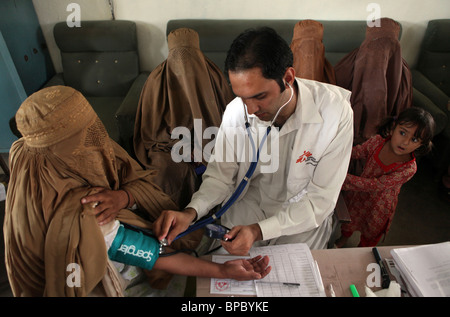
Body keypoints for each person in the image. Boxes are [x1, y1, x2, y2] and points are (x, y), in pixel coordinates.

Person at [3, 86, 270, 297]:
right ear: (68, 148)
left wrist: (124, 196)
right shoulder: (86, 214)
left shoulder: (26, 155)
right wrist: (221, 271)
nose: (99, 141)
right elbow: (149, 254)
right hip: (112, 280)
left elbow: (134, 178)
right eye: (87, 136)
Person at [154, 27, 354, 255]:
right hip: (248, 207)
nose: (251, 110)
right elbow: (220, 177)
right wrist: (191, 212)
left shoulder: (336, 113)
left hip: (301, 218)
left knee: (293, 280)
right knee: (225, 274)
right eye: (242, 97)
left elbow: (319, 201)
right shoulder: (236, 112)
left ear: (287, 78)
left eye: (260, 96)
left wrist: (259, 232)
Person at [133, 28, 235, 209]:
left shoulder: (214, 76)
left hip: (213, 139)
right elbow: (151, 132)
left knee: (227, 168)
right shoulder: (156, 81)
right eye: (178, 57)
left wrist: (203, 147)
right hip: (167, 146)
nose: (184, 65)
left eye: (190, 57)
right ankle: (171, 221)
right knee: (165, 174)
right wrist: (182, 148)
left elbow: (229, 119)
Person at [334, 107, 435, 248]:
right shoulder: (377, 142)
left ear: (421, 145)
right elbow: (357, 152)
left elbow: (375, 185)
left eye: (414, 139)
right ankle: (342, 240)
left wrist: (340, 178)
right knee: (350, 220)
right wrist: (334, 152)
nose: (405, 142)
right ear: (393, 127)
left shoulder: (408, 169)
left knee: (369, 233)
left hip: (378, 207)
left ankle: (359, 253)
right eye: (402, 133)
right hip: (358, 196)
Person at [334, 18, 413, 145]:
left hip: (385, 139)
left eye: (387, 45)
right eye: (374, 45)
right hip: (344, 132)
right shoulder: (345, 67)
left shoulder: (403, 73)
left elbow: (404, 114)